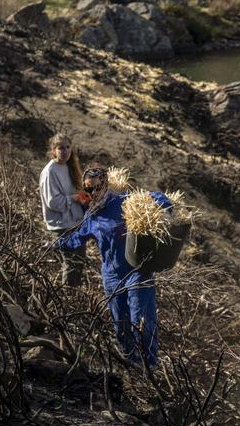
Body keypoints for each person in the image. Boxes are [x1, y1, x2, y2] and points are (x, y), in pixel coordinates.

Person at [55, 166, 171, 368]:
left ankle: (149, 364)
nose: (93, 193)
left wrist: (165, 207)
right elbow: (77, 238)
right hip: (112, 275)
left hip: (137, 272)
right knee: (120, 323)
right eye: (89, 189)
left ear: (105, 184)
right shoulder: (92, 215)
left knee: (141, 320)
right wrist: (56, 244)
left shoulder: (124, 202)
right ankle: (131, 362)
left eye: (97, 187)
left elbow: (158, 198)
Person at [39, 134, 87, 287]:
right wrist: (74, 198)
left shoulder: (69, 166)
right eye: (60, 148)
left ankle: (73, 294)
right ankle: (67, 296)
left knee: (78, 262)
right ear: (53, 150)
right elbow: (53, 202)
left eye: (67, 147)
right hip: (61, 225)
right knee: (71, 263)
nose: (65, 151)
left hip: (75, 221)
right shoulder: (50, 171)